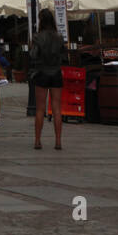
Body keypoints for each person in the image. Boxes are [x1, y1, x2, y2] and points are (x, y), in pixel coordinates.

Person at [30, 8, 66, 150]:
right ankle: (58, 141)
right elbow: (64, 55)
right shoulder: (59, 37)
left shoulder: (37, 37)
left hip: (41, 73)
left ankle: (37, 141)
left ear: (41, 21)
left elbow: (33, 55)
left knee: (40, 109)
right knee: (57, 108)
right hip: (56, 73)